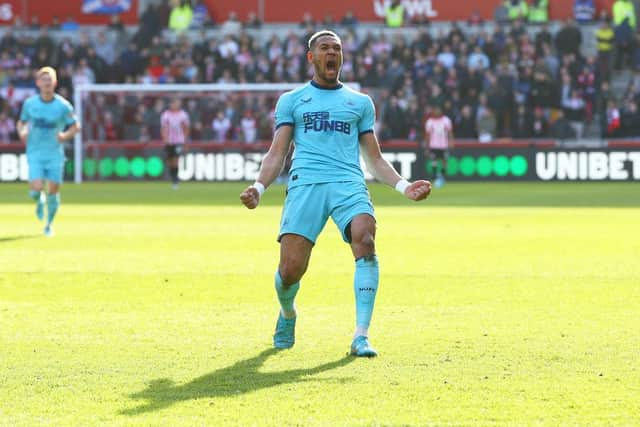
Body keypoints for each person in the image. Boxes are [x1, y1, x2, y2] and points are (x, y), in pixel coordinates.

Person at [239, 30, 431, 357]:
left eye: (338, 49)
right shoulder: (292, 100)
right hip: (305, 184)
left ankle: (361, 335)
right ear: (311, 57)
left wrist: (403, 186)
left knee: (365, 238)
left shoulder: (359, 103)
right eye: (325, 48)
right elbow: (277, 153)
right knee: (290, 271)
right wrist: (259, 187)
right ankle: (287, 313)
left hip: (348, 183)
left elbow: (375, 158)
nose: (333, 53)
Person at [16, 67, 79, 236]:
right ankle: (39, 200)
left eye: (50, 80)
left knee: (53, 190)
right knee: (35, 189)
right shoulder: (30, 104)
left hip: (54, 154)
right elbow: (21, 122)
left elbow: (75, 126)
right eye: (43, 80)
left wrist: (64, 136)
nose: (47, 83)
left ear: (55, 83)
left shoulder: (63, 105)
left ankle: (49, 224)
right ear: (38, 83)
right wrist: (21, 132)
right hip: (35, 151)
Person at [161, 98, 190, 189]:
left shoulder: (183, 115)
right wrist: (165, 140)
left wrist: (185, 142)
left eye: (176, 104)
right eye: (173, 104)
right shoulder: (165, 115)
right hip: (169, 141)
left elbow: (186, 128)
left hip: (179, 141)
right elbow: (163, 128)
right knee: (170, 161)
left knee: (176, 160)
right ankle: (173, 178)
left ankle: (175, 181)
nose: (175, 105)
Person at [425, 105, 454, 188]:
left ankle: (442, 178)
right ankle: (436, 178)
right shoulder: (430, 121)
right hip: (433, 145)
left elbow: (450, 132)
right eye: (436, 110)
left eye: (438, 110)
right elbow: (427, 135)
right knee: (434, 162)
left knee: (444, 162)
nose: (437, 112)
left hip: (443, 145)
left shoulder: (446, 120)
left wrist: (451, 141)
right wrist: (427, 147)